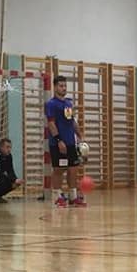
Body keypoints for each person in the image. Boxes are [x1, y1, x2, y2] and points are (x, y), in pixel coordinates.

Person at [45, 75, 85, 207]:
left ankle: (73, 197)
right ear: (55, 87)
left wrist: (79, 134)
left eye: (65, 86)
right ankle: (57, 197)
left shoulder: (68, 103)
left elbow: (71, 121)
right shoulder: (51, 104)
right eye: (61, 86)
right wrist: (59, 140)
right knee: (59, 169)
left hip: (70, 142)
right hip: (58, 143)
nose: (63, 88)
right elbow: (51, 124)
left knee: (73, 169)